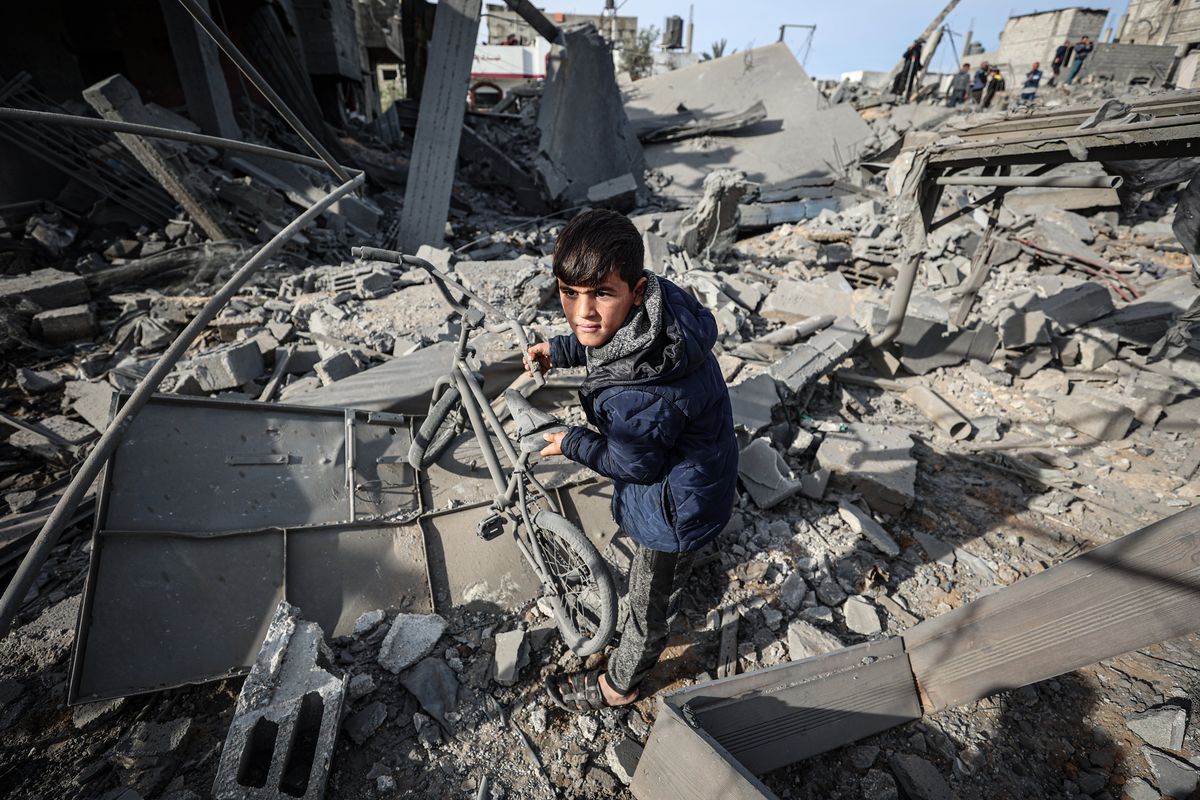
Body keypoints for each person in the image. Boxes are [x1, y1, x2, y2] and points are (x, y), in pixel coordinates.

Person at [531, 209, 738, 712]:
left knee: (645, 607)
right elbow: (605, 339)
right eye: (569, 292)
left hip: (670, 510)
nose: (582, 312)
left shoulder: (637, 397)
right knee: (674, 565)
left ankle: (620, 685)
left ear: (636, 290)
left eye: (601, 293)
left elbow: (635, 467)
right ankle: (690, 562)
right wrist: (559, 350)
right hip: (703, 475)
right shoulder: (662, 315)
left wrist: (573, 442)